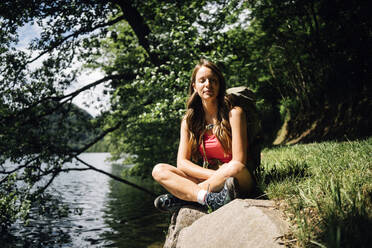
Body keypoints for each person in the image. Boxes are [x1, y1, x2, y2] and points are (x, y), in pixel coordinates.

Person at [152, 59, 255, 212]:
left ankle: (186, 197)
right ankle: (207, 199)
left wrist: (218, 176)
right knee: (159, 170)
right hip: (212, 180)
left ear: (219, 85)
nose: (208, 84)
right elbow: (182, 163)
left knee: (234, 167)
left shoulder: (234, 113)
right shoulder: (189, 121)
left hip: (236, 179)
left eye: (213, 80)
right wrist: (214, 176)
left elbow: (239, 161)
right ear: (194, 86)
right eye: (202, 80)